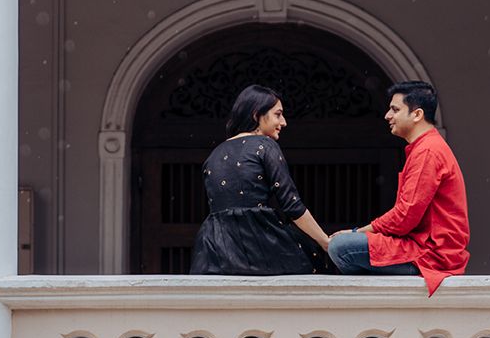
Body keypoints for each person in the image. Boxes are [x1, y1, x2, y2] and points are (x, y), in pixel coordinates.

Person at [327, 81, 469, 295]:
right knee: (342, 248)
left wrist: (358, 231)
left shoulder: (428, 151)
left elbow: (404, 218)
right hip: (421, 247)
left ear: (417, 114)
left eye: (395, 109)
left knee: (340, 248)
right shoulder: (425, 148)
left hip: (431, 254)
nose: (387, 116)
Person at [190, 83, 330, 276]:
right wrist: (325, 242)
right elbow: (291, 205)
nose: (284, 122)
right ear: (256, 115)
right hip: (260, 243)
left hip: (213, 249)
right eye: (278, 114)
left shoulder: (214, 154)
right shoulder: (265, 145)